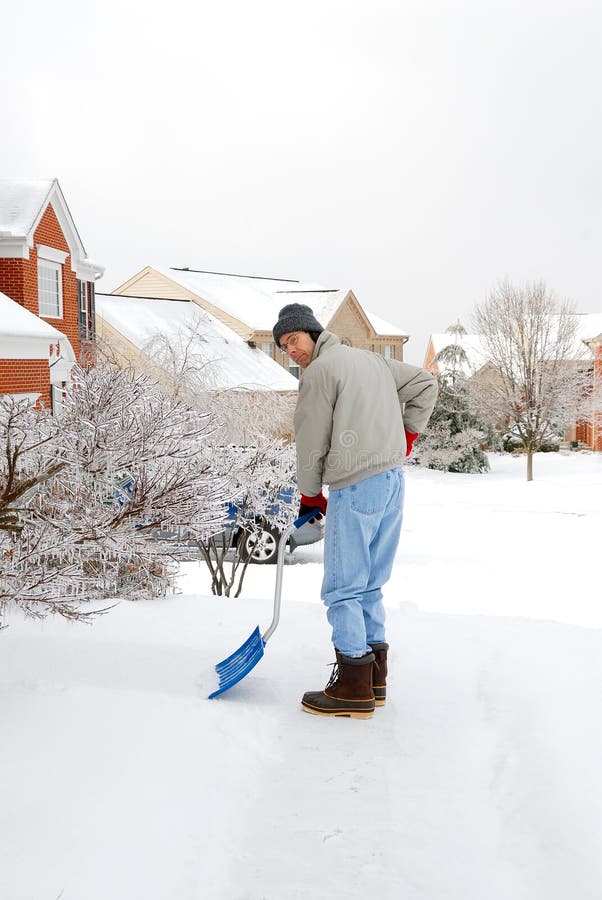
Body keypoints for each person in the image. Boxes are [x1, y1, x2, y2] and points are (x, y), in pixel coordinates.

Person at [273, 303, 438, 718]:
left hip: (355, 484)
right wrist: (406, 437)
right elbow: (425, 385)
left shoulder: (320, 374)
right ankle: (374, 680)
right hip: (391, 482)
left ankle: (351, 687)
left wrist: (310, 494)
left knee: (342, 587)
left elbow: (309, 438)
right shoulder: (371, 361)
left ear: (311, 332)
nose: (289, 350)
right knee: (369, 583)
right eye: (282, 346)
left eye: (293, 340)